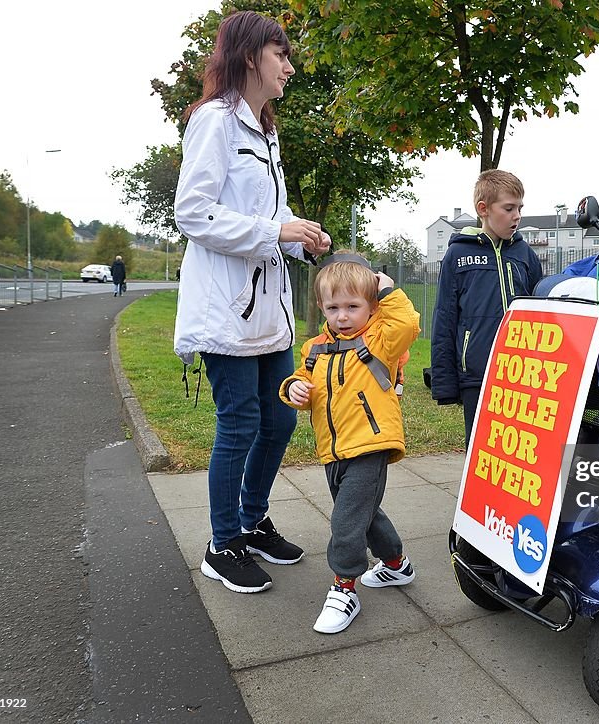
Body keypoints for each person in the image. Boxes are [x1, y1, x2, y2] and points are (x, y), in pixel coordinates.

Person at [173, 10, 331, 594]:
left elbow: (268, 217)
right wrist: (276, 233)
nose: (289, 67)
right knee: (239, 425)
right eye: (280, 55)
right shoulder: (213, 123)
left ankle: (252, 519)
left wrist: (300, 230)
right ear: (250, 58)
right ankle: (222, 543)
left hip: (270, 311)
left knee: (280, 419)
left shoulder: (266, 131)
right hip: (226, 308)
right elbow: (193, 213)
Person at [280, 255, 420, 634]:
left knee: (346, 521)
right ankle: (396, 565)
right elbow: (301, 383)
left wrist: (388, 289)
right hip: (333, 450)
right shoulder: (315, 349)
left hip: (370, 446)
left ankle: (345, 587)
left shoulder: (381, 341)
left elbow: (407, 322)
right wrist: (293, 389)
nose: (342, 316)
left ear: (372, 306)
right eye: (333, 307)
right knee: (365, 514)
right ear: (322, 308)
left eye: (353, 306)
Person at [430, 169, 544, 445]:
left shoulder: (525, 254)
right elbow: (444, 317)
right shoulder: (458, 254)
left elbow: (542, 311)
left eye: (520, 208)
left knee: (517, 448)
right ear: (483, 209)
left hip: (521, 374)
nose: (517, 216)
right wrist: (445, 382)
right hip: (478, 375)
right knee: (481, 448)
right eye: (509, 208)